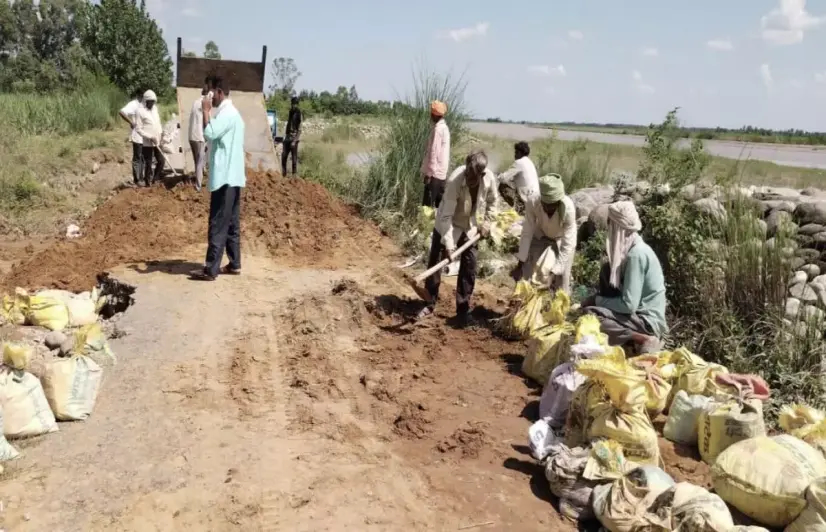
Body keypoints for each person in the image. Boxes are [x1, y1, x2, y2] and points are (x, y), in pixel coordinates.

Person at [417, 150, 497, 324]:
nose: (468, 178)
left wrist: (487, 224)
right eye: (467, 173)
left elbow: (492, 202)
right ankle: (429, 302)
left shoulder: (489, 179)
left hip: (471, 226)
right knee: (437, 260)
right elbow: (446, 217)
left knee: (470, 265)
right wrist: (449, 245)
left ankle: (463, 309)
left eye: (472, 176)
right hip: (449, 224)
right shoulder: (455, 180)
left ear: (482, 174)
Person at [581, 201, 667, 353]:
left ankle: (642, 338)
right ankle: (627, 339)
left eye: (610, 224)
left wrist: (597, 301)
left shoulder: (636, 255)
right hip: (637, 314)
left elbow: (629, 305)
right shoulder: (633, 250)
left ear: (616, 227)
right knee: (607, 270)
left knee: (592, 315)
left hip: (647, 320)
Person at [190, 76, 246, 281]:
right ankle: (235, 263)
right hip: (234, 177)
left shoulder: (226, 114)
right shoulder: (234, 114)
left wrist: (206, 111)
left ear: (219, 93)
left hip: (224, 178)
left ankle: (210, 269)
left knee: (217, 224)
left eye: (211, 93)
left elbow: (210, 132)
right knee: (231, 223)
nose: (209, 97)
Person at [511, 174, 577, 292]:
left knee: (562, 281)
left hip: (561, 240)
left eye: (551, 206)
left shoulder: (568, 209)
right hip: (540, 235)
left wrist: (552, 274)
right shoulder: (532, 201)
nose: (547, 209)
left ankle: (557, 307)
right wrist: (520, 263)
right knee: (528, 273)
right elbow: (527, 232)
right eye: (545, 204)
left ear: (558, 202)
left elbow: (568, 245)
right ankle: (524, 304)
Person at [420, 100, 451, 208]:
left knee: (427, 207)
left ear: (433, 114)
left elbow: (434, 153)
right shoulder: (445, 128)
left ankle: (425, 224)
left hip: (435, 174)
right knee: (439, 206)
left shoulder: (437, 130)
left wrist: (429, 174)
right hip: (442, 173)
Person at [497, 141, 539, 210]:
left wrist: (498, 175)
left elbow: (503, 178)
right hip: (536, 197)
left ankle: (520, 209)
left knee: (502, 187)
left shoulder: (519, 163)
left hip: (527, 198)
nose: (515, 155)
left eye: (516, 153)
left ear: (520, 153)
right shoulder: (529, 162)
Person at [134, 90, 164, 187]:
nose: (152, 103)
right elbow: (138, 129)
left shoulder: (155, 109)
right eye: (150, 101)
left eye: (153, 101)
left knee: (161, 160)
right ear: (145, 101)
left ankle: (155, 179)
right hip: (147, 142)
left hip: (157, 140)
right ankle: (148, 183)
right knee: (148, 163)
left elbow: (158, 123)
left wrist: (160, 134)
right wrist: (150, 137)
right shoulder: (139, 111)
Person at [188, 82, 210, 191]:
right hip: (199, 136)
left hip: (191, 136)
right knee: (200, 162)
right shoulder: (205, 102)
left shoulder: (195, 102)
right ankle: (198, 186)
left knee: (197, 161)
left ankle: (197, 180)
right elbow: (206, 122)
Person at [119, 89, 144, 185]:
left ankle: (141, 178)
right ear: (138, 95)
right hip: (137, 136)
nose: (143, 98)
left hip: (144, 136)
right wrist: (131, 122)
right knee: (137, 158)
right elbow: (121, 112)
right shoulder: (133, 104)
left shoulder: (144, 104)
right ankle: (137, 180)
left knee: (143, 158)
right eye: (141, 95)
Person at [281, 96, 302, 176]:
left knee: (294, 159)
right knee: (283, 156)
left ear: (297, 104)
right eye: (293, 104)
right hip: (288, 137)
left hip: (294, 138)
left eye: (295, 104)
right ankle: (283, 174)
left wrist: (294, 141)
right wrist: (285, 137)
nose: (294, 106)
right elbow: (289, 125)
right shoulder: (290, 112)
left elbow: (300, 130)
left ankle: (294, 176)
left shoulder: (299, 113)